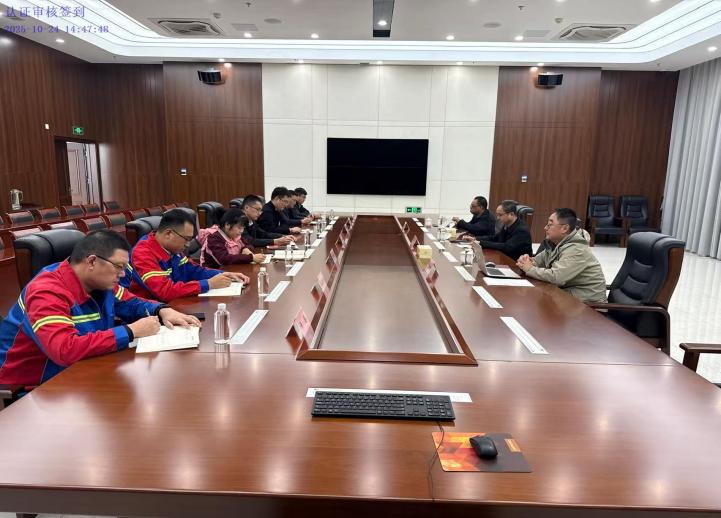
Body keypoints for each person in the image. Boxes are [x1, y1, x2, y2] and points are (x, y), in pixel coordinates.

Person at [0, 230, 200, 387]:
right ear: (92, 261)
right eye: (119, 267)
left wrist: (162, 310)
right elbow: (64, 349)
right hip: (32, 388)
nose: (123, 275)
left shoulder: (100, 283)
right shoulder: (47, 291)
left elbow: (132, 303)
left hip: (81, 372)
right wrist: (131, 331)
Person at [123, 209, 248, 302]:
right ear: (168, 234)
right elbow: (165, 291)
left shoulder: (173, 250)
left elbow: (193, 270)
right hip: (147, 314)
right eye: (186, 239)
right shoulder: (143, 253)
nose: (188, 244)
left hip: (172, 305)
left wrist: (224, 275)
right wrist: (208, 284)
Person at [516, 208, 607, 304]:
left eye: (550, 225)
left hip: (588, 305)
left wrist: (530, 269)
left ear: (565, 228)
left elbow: (557, 277)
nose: (545, 228)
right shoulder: (555, 244)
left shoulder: (577, 249)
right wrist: (525, 261)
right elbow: (536, 262)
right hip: (567, 296)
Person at [464, 200, 532, 260]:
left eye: (500, 215)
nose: (497, 218)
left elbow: (506, 247)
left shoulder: (521, 230)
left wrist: (480, 243)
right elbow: (495, 238)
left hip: (516, 264)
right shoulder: (507, 224)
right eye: (497, 214)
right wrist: (475, 239)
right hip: (504, 258)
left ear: (511, 214)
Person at [199, 209, 265, 267]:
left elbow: (249, 244)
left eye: (243, 228)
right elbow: (224, 259)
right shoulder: (214, 238)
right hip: (213, 272)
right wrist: (251, 258)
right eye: (239, 228)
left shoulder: (234, 235)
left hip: (232, 269)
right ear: (227, 225)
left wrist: (245, 248)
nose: (241, 231)